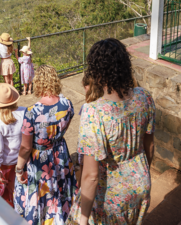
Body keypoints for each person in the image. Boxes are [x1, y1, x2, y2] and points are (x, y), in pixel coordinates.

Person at [68, 38, 156, 225]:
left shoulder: (94, 112)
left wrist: (83, 219)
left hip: (109, 198)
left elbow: (91, 176)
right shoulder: (144, 97)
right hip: (140, 183)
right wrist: (140, 174)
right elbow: (150, 146)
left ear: (96, 72)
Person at [14, 65, 77, 225]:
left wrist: (19, 169)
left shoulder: (32, 112)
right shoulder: (67, 104)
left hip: (40, 162)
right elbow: (63, 131)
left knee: (41, 196)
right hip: (61, 154)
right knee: (60, 191)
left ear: (38, 83)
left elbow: (26, 147)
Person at [0, 83, 26, 207]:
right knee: (18, 190)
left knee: (3, 195)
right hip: (21, 161)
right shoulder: (25, 111)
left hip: (5, 164)